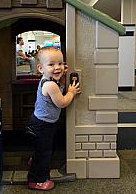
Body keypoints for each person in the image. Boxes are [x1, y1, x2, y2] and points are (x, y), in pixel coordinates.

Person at [27, 46, 81, 191]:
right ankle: (36, 180)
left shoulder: (50, 80)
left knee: (41, 150)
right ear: (40, 68)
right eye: (51, 64)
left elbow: (60, 85)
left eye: (60, 63)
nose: (57, 67)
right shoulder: (50, 85)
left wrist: (62, 74)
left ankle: (35, 162)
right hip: (42, 125)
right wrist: (71, 92)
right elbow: (62, 102)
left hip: (42, 123)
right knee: (44, 153)